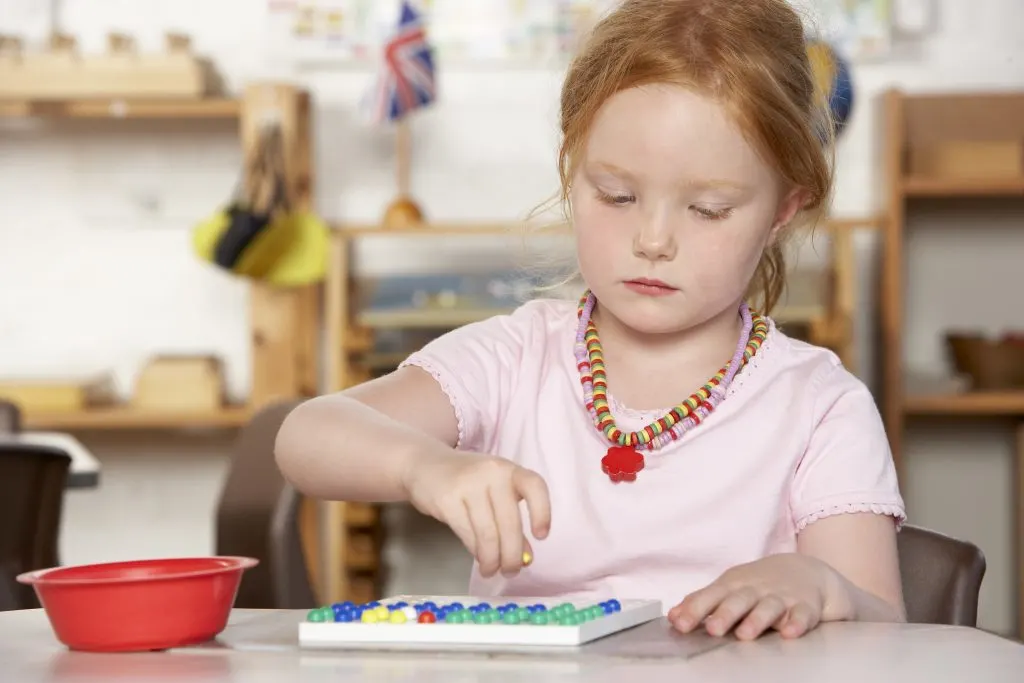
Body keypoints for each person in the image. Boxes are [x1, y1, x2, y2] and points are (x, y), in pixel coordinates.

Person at [275, 0, 907, 641]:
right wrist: (422, 467)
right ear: (572, 173)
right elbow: (307, 434)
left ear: (782, 210)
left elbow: (886, 622)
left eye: (709, 209)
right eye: (617, 196)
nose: (653, 239)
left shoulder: (820, 404)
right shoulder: (516, 358)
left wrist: (822, 584)